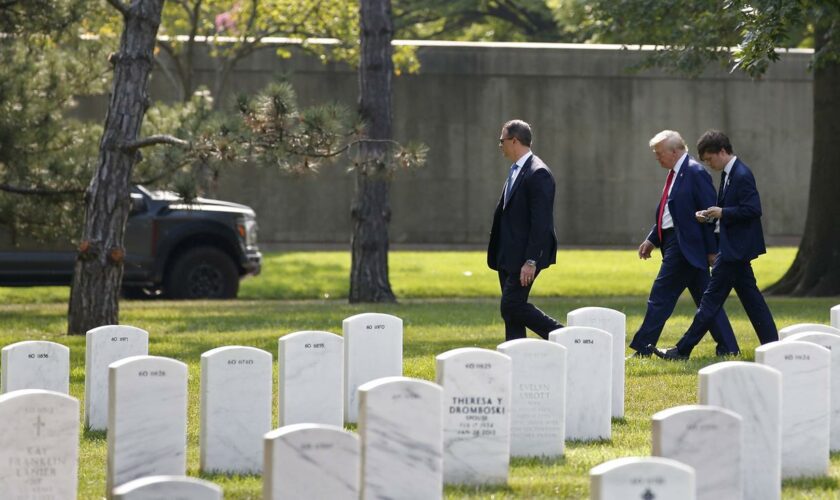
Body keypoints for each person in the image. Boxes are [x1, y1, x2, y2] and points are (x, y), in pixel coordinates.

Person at [655, 130, 778, 360]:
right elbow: (731, 210)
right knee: (753, 303)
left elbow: (753, 209)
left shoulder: (741, 174)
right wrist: (711, 215)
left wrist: (723, 212)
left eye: (710, 159)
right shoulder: (729, 174)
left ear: (722, 151)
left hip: (733, 252)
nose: (709, 165)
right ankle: (774, 346)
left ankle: (681, 350)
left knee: (709, 303)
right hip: (733, 251)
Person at [628, 130, 740, 358]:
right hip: (676, 244)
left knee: (660, 297)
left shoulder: (695, 173)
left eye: (659, 153)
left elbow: (709, 215)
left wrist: (711, 250)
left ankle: (642, 348)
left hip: (685, 247)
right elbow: (670, 214)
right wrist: (652, 238)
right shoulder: (675, 174)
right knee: (707, 300)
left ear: (675, 151)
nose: (657, 158)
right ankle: (728, 347)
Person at [487, 119, 563, 341]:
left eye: (502, 140)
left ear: (514, 141)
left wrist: (531, 260)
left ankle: (564, 336)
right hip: (508, 255)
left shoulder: (538, 173)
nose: (499, 145)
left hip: (524, 257)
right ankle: (516, 356)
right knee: (512, 313)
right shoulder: (516, 170)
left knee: (511, 305)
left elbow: (542, 222)